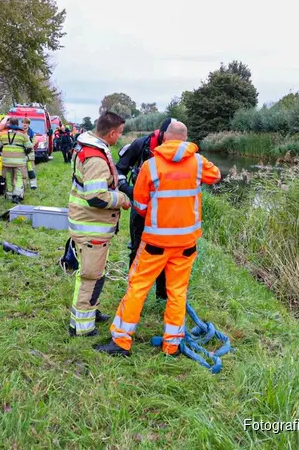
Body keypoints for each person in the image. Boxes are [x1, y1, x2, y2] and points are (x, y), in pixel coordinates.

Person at [95, 121, 221, 357]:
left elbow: (140, 206)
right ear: (185, 139)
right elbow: (215, 175)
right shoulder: (198, 163)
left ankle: (121, 342)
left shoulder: (151, 166)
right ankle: (171, 345)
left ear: (164, 138)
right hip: (186, 243)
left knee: (138, 287)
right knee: (177, 292)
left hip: (156, 243)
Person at [67, 110, 131, 337]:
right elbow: (96, 197)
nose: (120, 137)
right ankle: (83, 328)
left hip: (89, 225)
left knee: (94, 273)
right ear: (112, 133)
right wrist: (122, 199)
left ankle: (88, 312)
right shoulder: (95, 158)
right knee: (90, 276)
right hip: (91, 227)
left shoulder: (92, 149)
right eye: (120, 133)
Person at [115, 118, 174, 300]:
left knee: (164, 251)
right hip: (140, 207)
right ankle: (133, 290)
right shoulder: (141, 145)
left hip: (166, 211)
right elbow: (118, 171)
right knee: (137, 247)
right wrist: (130, 191)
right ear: (163, 134)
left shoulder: (178, 151)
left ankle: (161, 295)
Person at [0, 116, 33, 203]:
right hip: (19, 161)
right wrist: (24, 153)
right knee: (19, 178)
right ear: (17, 124)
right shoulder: (23, 134)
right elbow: (29, 147)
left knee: (8, 177)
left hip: (6, 161)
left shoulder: (1, 133)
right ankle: (17, 196)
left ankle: (9, 196)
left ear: (9, 123)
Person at [21, 117, 38, 190]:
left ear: (28, 124)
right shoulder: (19, 131)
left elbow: (34, 142)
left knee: (31, 170)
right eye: (23, 123)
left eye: (26, 123)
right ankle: (24, 185)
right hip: (22, 153)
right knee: (22, 170)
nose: (24, 124)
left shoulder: (32, 133)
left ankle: (33, 185)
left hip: (30, 154)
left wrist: (29, 146)